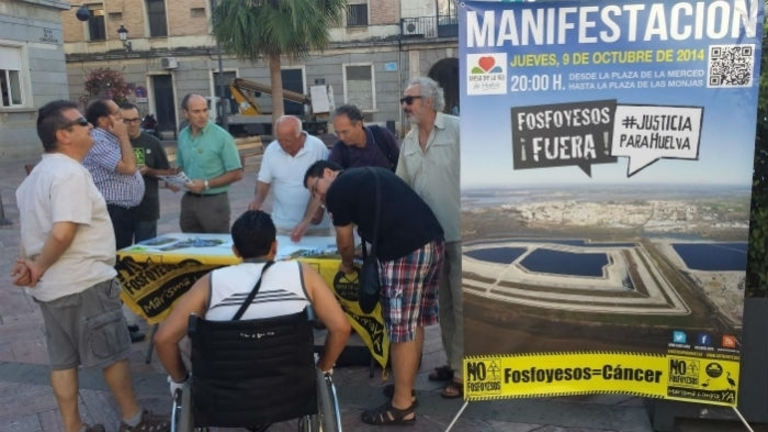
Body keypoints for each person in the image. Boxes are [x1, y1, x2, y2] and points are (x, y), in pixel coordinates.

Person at [11, 100, 170, 432]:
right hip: (83, 283)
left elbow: (31, 231)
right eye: (83, 122)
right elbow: (63, 231)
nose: (91, 127)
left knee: (63, 362)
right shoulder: (69, 174)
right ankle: (134, 420)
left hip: (52, 290)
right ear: (63, 135)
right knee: (112, 354)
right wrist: (38, 267)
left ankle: (74, 427)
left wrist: (28, 265)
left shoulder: (36, 176)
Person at [303, 160, 444, 426]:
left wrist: (346, 265)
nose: (318, 197)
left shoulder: (338, 190)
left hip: (404, 252)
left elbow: (344, 242)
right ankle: (406, 388)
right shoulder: (364, 176)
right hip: (432, 243)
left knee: (401, 329)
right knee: (414, 322)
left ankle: (402, 406)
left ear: (329, 173)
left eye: (315, 189)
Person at [153, 210, 351, 394]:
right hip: (293, 385)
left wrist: (182, 380)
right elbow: (341, 328)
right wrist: (323, 369)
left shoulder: (211, 282)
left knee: (188, 341)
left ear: (235, 251)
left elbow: (164, 339)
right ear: (275, 247)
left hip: (225, 389)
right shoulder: (303, 274)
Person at [397, 76, 463, 399]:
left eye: (409, 100)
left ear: (428, 101)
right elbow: (402, 185)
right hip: (429, 239)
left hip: (462, 232)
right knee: (444, 305)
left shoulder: (458, 129)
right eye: (404, 101)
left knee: (463, 305)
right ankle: (454, 362)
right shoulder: (408, 140)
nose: (405, 106)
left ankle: (465, 373)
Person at [247, 115, 330, 242]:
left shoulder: (318, 148)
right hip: (282, 225)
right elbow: (264, 180)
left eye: (288, 140)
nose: (283, 145)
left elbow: (327, 184)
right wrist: (257, 200)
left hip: (315, 227)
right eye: (280, 140)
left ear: (300, 135)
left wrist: (320, 208)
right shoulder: (272, 149)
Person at [82, 99, 145, 250]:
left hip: (125, 210)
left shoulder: (111, 137)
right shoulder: (97, 140)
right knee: (115, 254)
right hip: (113, 210)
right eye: (117, 113)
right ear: (103, 120)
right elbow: (129, 168)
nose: (121, 117)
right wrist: (123, 136)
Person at [176, 93, 243, 233]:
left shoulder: (222, 137)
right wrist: (176, 181)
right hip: (188, 201)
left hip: (214, 202)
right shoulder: (183, 135)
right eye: (196, 111)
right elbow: (180, 167)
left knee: (217, 244)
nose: (202, 115)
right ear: (186, 113)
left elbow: (236, 173)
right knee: (189, 242)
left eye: (205, 110)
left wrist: (206, 184)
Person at [120, 102, 176, 242]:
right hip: (120, 209)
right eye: (126, 121)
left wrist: (148, 170)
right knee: (120, 250)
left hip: (146, 208)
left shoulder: (152, 142)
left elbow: (168, 174)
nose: (132, 124)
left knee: (145, 250)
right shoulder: (113, 143)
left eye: (135, 120)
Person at [328, 104, 400, 171]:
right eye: (337, 133)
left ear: (359, 125)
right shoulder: (339, 150)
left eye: (345, 132)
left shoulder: (381, 135)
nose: (341, 138)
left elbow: (400, 163)